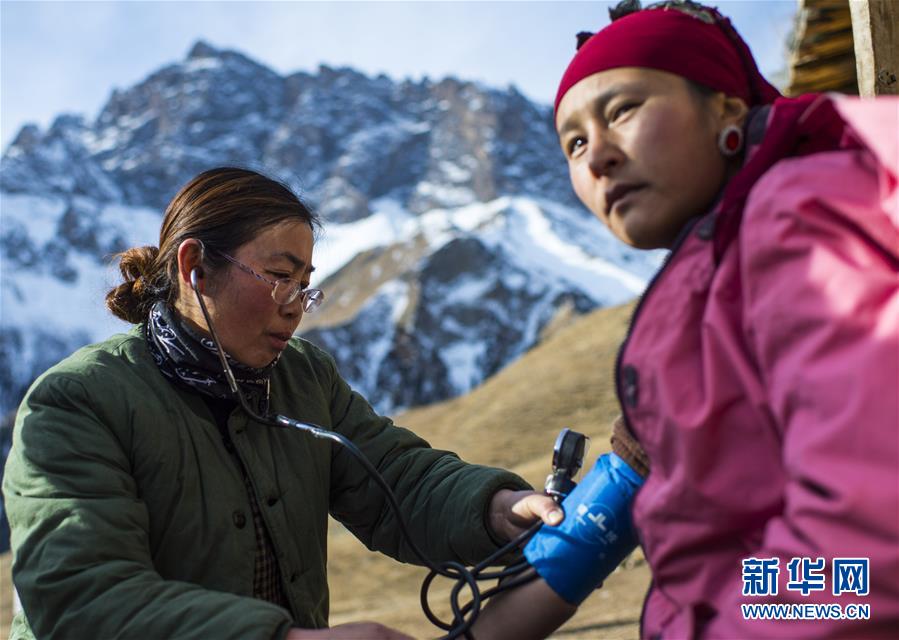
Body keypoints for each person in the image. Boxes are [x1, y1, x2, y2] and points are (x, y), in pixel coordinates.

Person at [471, 1, 899, 638]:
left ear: (726, 108)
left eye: (623, 110)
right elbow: (628, 486)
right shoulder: (715, 276)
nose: (597, 156)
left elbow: (864, 562)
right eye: (574, 142)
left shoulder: (803, 223)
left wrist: (718, 623)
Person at [2, 166, 563, 640]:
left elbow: (395, 477)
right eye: (279, 277)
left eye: (304, 285)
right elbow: (80, 594)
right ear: (195, 268)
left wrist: (497, 509)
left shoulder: (303, 377)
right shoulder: (78, 400)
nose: (295, 306)